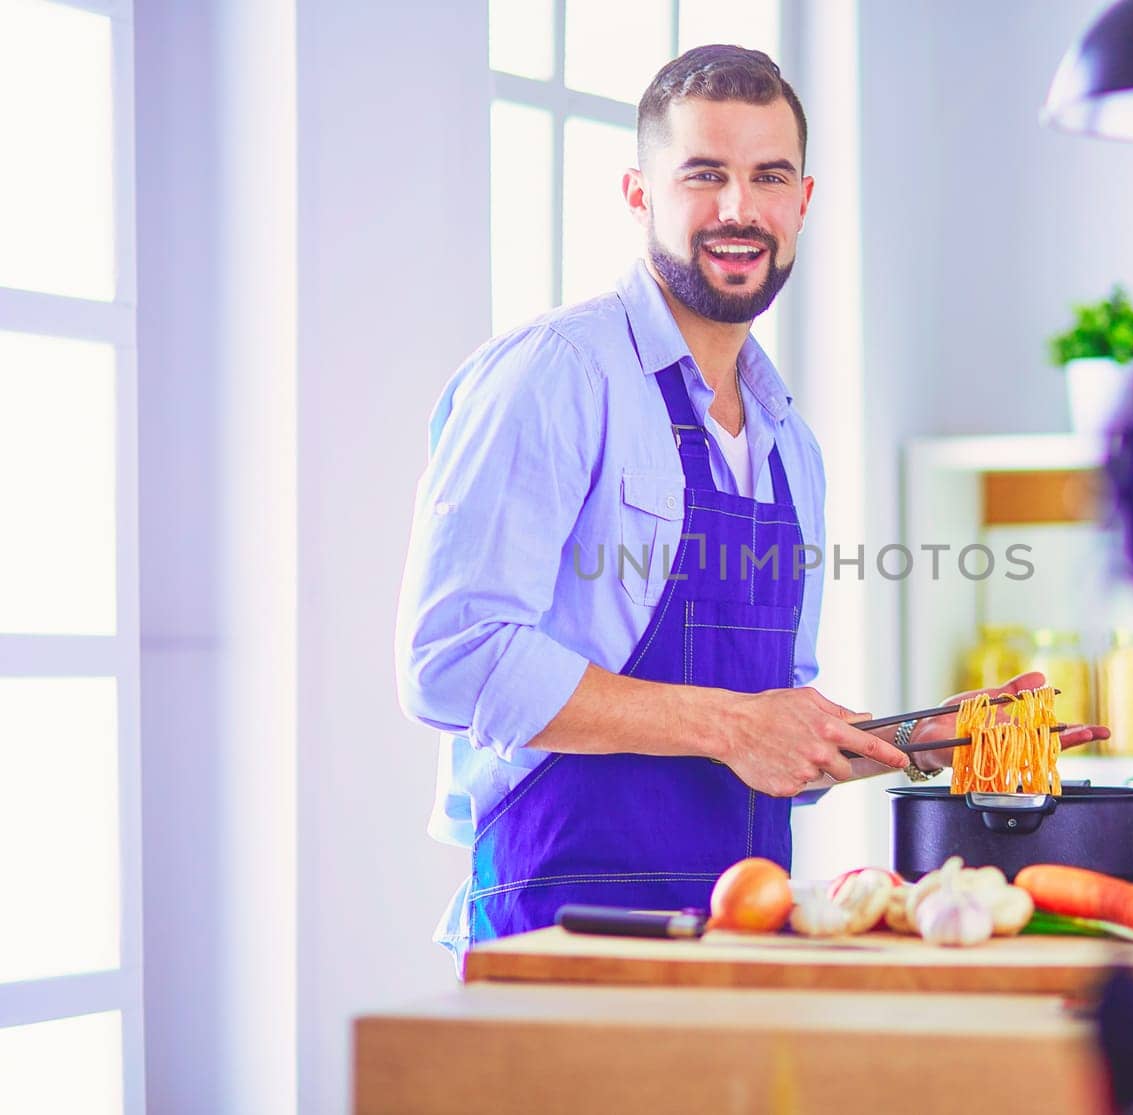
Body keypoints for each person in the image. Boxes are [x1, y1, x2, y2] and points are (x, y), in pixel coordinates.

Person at [395, 45, 1095, 964]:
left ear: (802, 202)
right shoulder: (557, 375)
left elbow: (771, 746)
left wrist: (915, 739)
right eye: (704, 176)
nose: (740, 210)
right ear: (640, 194)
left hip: (745, 939)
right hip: (562, 937)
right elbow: (451, 660)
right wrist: (735, 724)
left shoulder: (786, 443)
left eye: (768, 177)